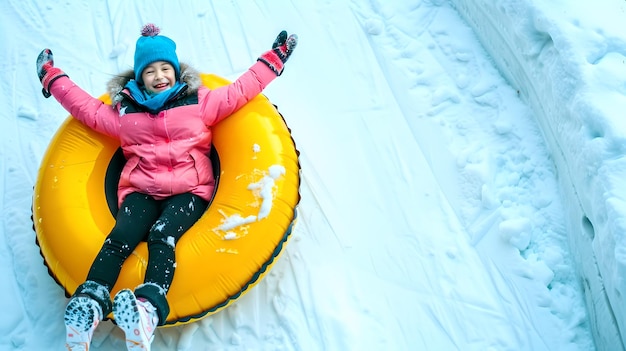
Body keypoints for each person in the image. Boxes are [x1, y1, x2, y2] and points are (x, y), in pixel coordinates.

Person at [36, 23, 297, 351]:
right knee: (120, 237)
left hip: (188, 192)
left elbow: (240, 91)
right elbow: (85, 108)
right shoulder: (124, 114)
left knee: (162, 235)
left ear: (175, 72)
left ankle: (147, 310)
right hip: (140, 191)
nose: (159, 76)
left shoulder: (198, 103)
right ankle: (90, 302)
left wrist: (272, 61)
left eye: (164, 68)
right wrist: (52, 77)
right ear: (138, 78)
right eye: (149, 71)